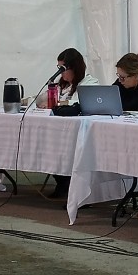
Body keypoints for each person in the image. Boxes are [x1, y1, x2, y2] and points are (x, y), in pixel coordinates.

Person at [40, 47, 98, 198]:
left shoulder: (89, 83)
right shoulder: (62, 85)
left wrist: (55, 105)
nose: (61, 73)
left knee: (63, 150)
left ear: (74, 67)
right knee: (45, 145)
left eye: (63, 69)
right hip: (57, 130)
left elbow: (79, 105)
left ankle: (69, 184)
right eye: (58, 68)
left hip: (78, 132)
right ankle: (61, 181)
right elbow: (42, 99)